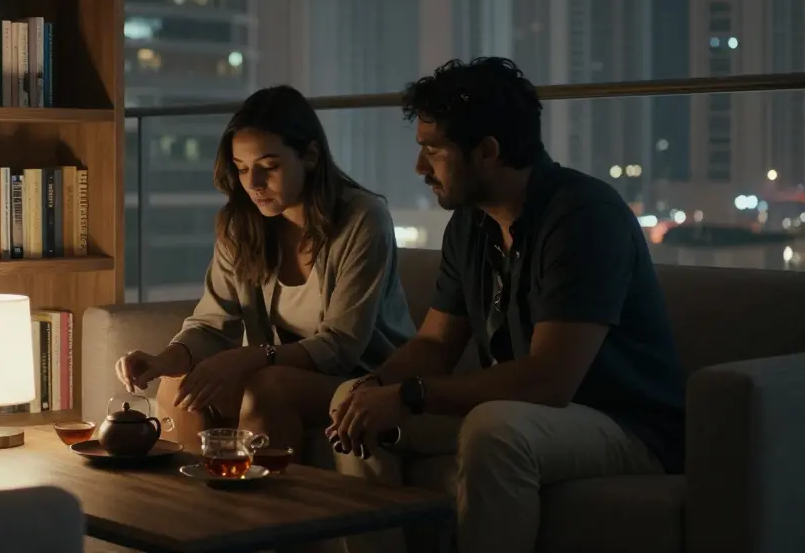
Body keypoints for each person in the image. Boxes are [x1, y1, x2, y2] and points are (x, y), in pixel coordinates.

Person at [326, 57, 687, 553]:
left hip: (625, 425)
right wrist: (376, 387)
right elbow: (435, 342)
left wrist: (411, 397)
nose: (419, 167)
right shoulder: (470, 226)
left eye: (433, 150)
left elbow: (551, 379)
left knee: (495, 428)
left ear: (487, 152)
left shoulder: (583, 216)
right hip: (531, 415)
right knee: (352, 400)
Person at [115, 85, 415, 453]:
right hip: (277, 371)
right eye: (241, 169)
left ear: (310, 156)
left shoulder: (363, 219)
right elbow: (212, 323)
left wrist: (248, 358)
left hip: (362, 380)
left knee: (267, 387)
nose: (253, 185)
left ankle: (266, 510)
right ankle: (203, 506)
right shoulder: (242, 225)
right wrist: (164, 361)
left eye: (268, 167)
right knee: (178, 387)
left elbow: (340, 346)